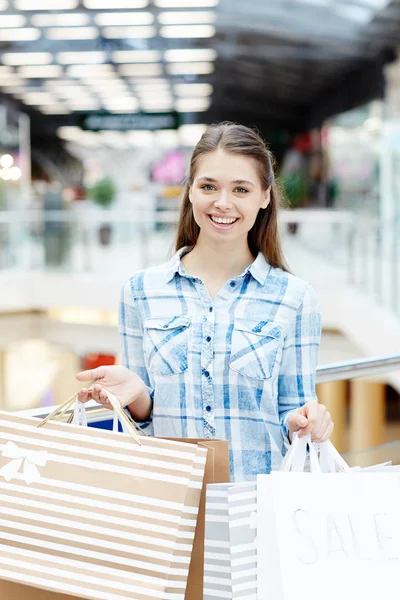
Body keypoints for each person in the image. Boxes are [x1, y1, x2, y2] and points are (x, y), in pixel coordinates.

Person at [77, 122, 333, 481]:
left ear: (264, 196)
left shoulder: (295, 298)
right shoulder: (139, 291)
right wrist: (136, 397)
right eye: (208, 186)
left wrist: (305, 422)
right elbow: (143, 424)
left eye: (240, 189)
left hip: (256, 509)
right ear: (191, 191)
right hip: (171, 504)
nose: (222, 203)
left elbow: (293, 413)